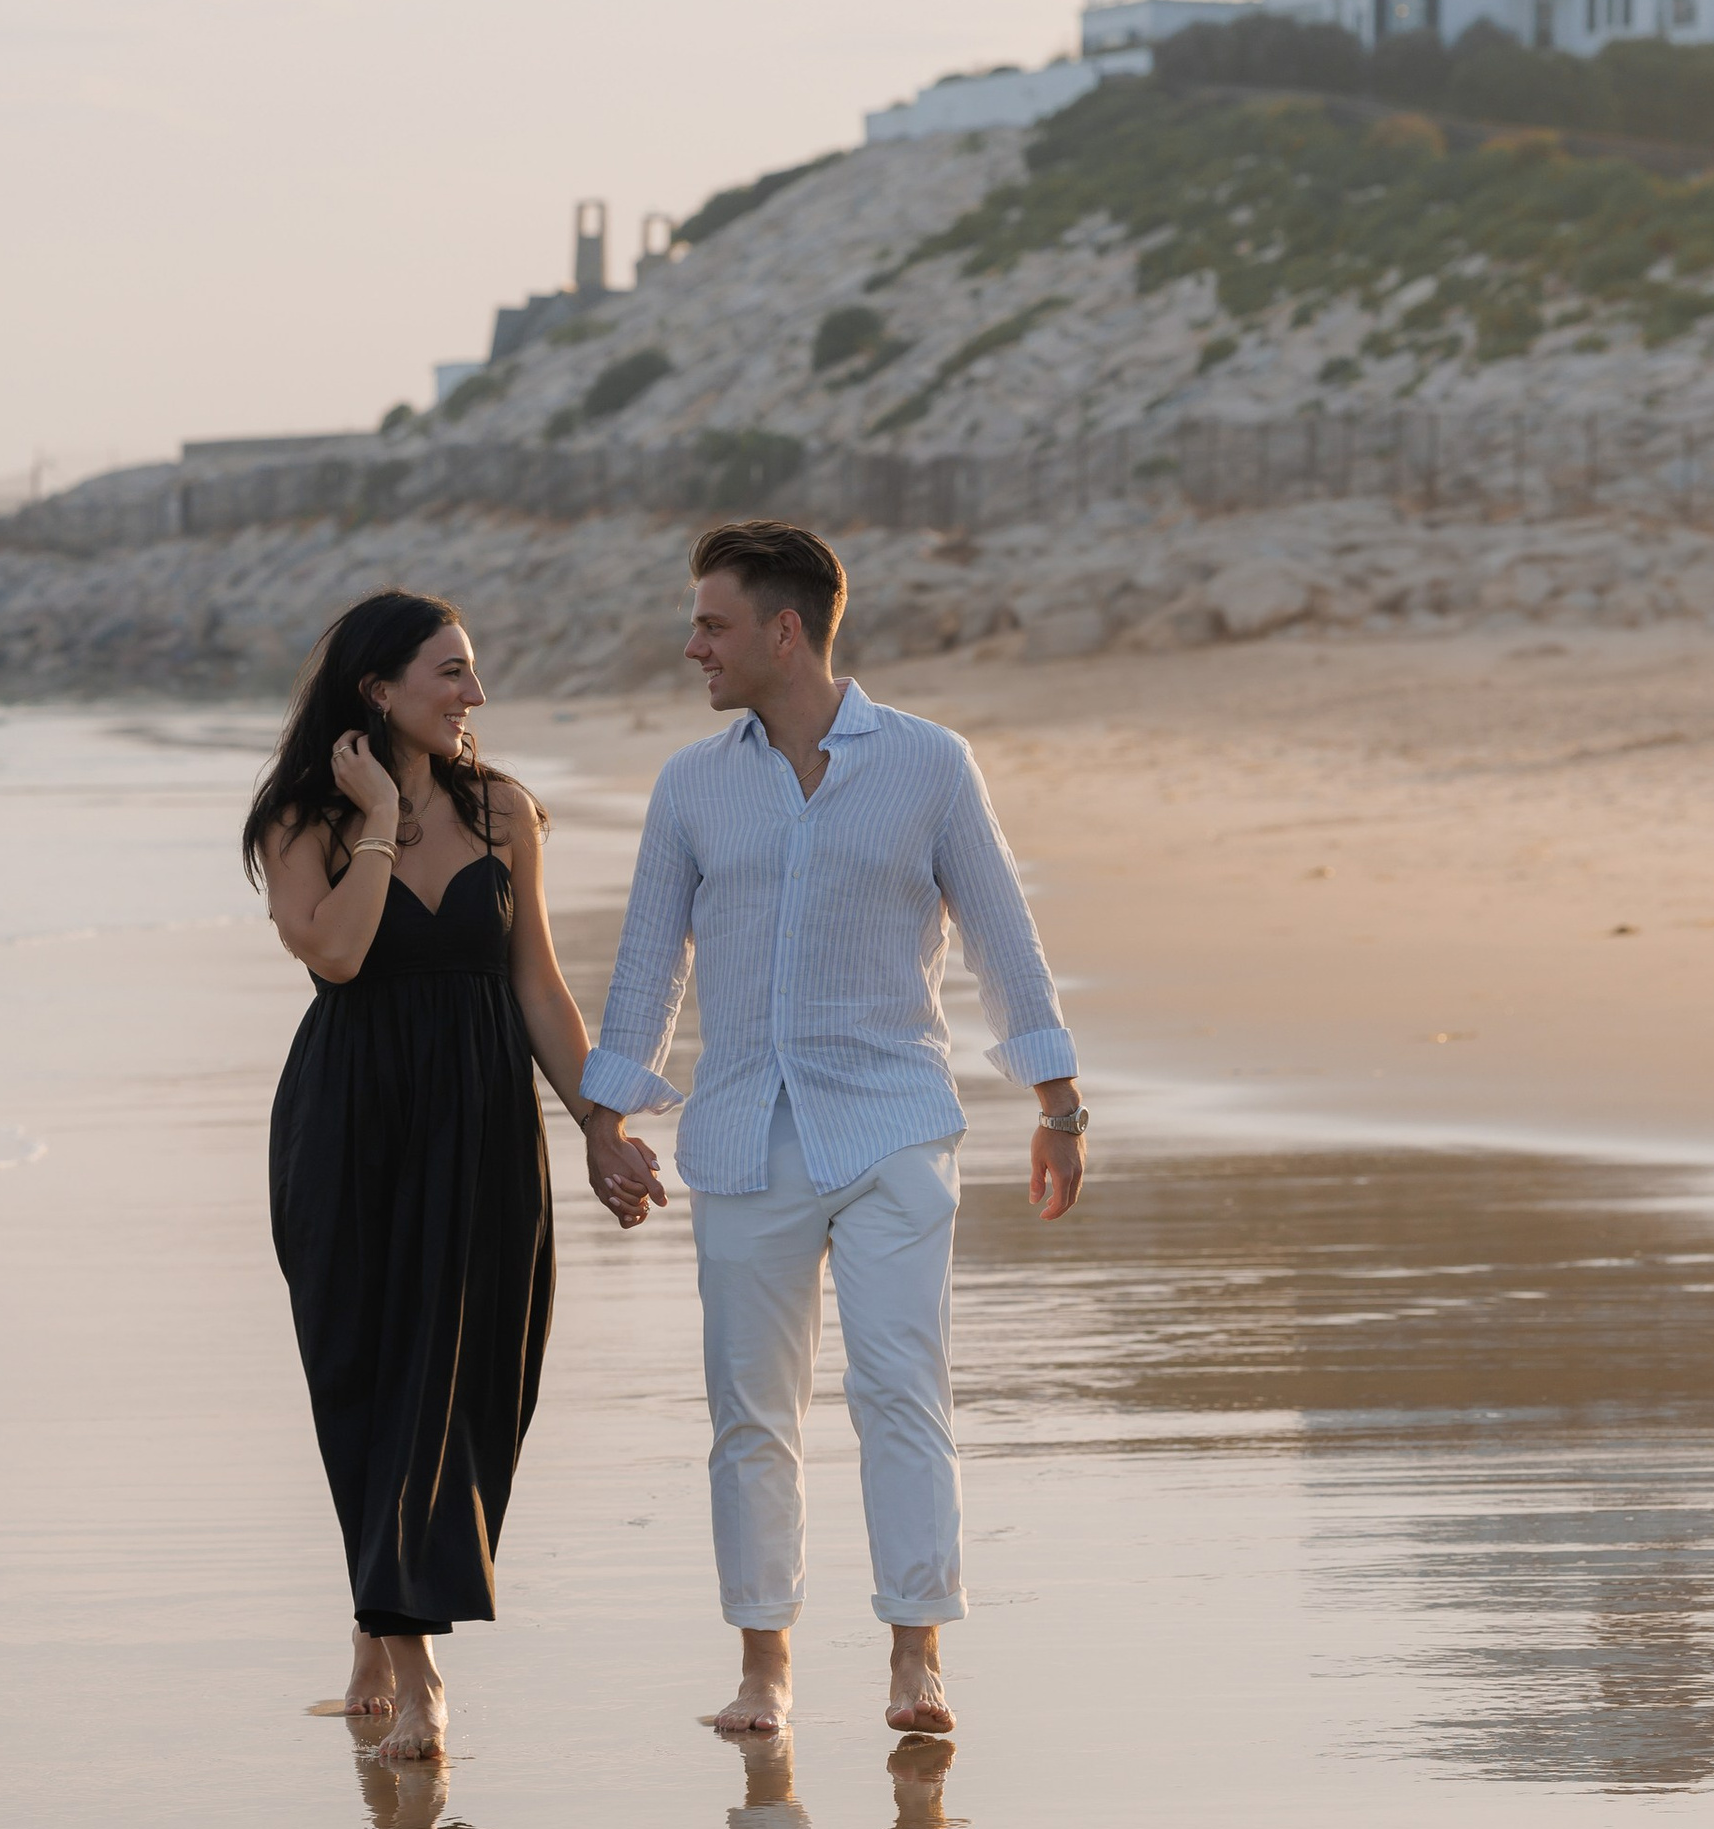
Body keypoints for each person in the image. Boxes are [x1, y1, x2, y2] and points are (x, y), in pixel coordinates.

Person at [577, 520, 1086, 1740]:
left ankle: (917, 1656)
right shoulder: (692, 785)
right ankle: (765, 1668)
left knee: (900, 1387)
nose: (691, 643)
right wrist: (603, 1118)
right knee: (749, 1409)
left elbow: (1002, 939)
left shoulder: (927, 764)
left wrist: (1057, 1103)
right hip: (746, 1132)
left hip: (893, 1126)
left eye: (711, 621)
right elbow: (649, 963)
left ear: (782, 631)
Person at [249, 590, 636, 1766]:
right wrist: (373, 819)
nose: (473, 694)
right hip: (349, 1129)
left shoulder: (503, 809)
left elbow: (537, 990)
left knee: (473, 1391)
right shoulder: (300, 818)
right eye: (450, 672)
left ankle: (379, 1612)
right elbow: (339, 950)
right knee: (372, 1388)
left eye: (472, 672)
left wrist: (597, 1126)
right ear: (379, 690)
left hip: (479, 1125)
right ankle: (417, 1667)